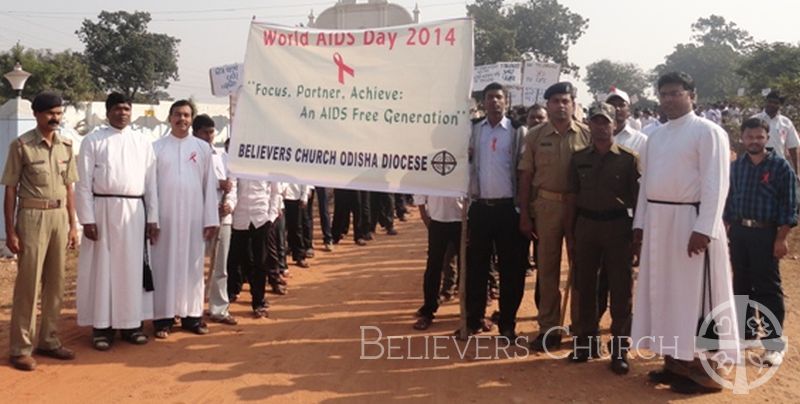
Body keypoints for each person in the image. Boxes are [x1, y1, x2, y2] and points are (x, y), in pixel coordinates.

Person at [632, 72, 740, 394]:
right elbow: (645, 186)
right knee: (663, 291)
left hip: (691, 223)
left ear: (691, 94)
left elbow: (716, 184)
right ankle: (675, 362)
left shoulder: (708, 132)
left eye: (675, 93)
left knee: (696, 297)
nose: (668, 99)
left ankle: (705, 370)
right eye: (663, 94)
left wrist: (704, 228)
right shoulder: (655, 136)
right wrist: (640, 224)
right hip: (658, 222)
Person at [76, 92, 159, 351]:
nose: (122, 113)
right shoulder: (92, 140)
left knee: (131, 269)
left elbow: (151, 184)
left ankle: (131, 324)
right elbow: (83, 184)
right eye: (117, 109)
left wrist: (153, 218)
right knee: (103, 269)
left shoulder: (143, 142)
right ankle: (102, 327)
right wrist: (87, 219)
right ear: (108, 111)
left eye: (126, 108)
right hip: (102, 209)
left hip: (134, 211)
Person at [3, 92, 79, 371]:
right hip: (32, 216)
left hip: (59, 216)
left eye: (58, 113)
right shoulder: (21, 145)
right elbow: (10, 189)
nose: (55, 118)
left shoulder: (66, 146)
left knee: (56, 283)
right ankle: (20, 348)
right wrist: (10, 231)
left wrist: (73, 225)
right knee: (28, 284)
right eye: (50, 113)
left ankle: (48, 339)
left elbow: (69, 188)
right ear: (36, 114)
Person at [564, 102, 639, 374]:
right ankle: (586, 343)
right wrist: (570, 232)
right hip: (586, 226)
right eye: (595, 122)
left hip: (618, 227)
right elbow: (571, 196)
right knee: (585, 287)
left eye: (605, 122)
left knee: (621, 290)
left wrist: (636, 236)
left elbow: (638, 200)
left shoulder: (629, 159)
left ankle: (619, 350)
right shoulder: (578, 157)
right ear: (589, 124)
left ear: (614, 124)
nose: (601, 127)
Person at [517, 82, 590, 351]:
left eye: (565, 100)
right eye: (555, 101)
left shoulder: (586, 134)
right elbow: (526, 175)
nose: (561, 105)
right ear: (548, 105)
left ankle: (581, 327)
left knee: (579, 269)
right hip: (546, 206)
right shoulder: (535, 136)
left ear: (573, 104)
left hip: (578, 210)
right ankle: (549, 328)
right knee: (547, 270)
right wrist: (525, 213)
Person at [724, 117, 797, 366]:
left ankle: (773, 343)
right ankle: (746, 335)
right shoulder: (736, 167)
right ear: (742, 139)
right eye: (749, 137)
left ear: (767, 138)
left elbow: (789, 206)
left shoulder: (780, 167)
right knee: (740, 284)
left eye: (759, 137)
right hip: (740, 232)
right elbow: (729, 199)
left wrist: (781, 239)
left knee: (767, 288)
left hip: (766, 235)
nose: (754, 141)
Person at [464, 82, 528, 339]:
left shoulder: (516, 131)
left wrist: (523, 209)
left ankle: (508, 323)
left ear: (506, 101)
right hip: (480, 208)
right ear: (483, 102)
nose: (494, 102)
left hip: (507, 209)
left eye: (499, 97)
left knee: (511, 269)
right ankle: (474, 318)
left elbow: (524, 171)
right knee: (476, 266)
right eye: (490, 98)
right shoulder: (473, 130)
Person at [151, 100, 219, 338]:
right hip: (164, 219)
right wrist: (152, 219)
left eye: (187, 115)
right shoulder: (157, 148)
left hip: (193, 218)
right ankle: (163, 318)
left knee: (193, 266)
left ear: (192, 119)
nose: (182, 119)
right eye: (178, 114)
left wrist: (210, 218)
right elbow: (150, 187)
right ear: (170, 118)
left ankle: (192, 316)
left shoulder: (202, 148)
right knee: (163, 265)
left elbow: (209, 186)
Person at [192, 114, 237, 325]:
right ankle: (191, 310)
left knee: (220, 267)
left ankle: (219, 308)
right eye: (204, 132)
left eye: (211, 132)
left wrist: (230, 204)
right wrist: (215, 184)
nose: (209, 136)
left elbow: (233, 184)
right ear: (196, 133)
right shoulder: (190, 155)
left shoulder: (222, 156)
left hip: (222, 218)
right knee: (194, 265)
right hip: (197, 218)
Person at [412, 193, 463, 330]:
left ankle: (473, 314)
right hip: (437, 221)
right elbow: (420, 190)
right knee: (434, 267)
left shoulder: (465, 170)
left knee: (468, 267)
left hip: (463, 221)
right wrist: (424, 216)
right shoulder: (430, 171)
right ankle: (428, 311)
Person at [751, 91, 800, 172]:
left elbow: (792, 148)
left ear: (780, 105)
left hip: (778, 168)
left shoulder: (786, 122)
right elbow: (744, 145)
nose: (772, 104)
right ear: (766, 102)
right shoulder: (754, 120)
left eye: (776, 103)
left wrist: (796, 172)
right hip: (757, 167)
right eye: (770, 101)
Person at [605, 88, 648, 155]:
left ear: (628, 109)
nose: (617, 108)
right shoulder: (596, 138)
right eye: (612, 105)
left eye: (621, 105)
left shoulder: (641, 140)